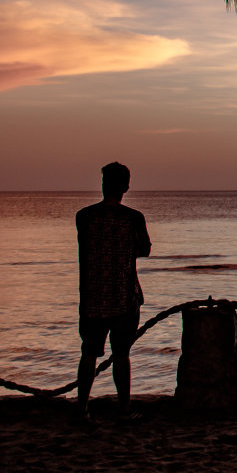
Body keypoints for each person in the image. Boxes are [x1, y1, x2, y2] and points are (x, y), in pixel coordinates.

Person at [75, 161, 151, 419]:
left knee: (88, 353)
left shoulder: (84, 217)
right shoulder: (133, 218)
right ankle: (124, 408)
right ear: (126, 187)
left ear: (103, 184)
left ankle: (82, 408)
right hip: (124, 298)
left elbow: (84, 249)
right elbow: (144, 250)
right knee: (121, 355)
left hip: (92, 297)